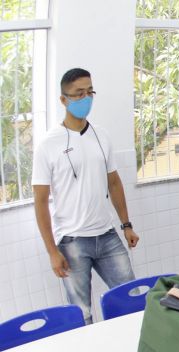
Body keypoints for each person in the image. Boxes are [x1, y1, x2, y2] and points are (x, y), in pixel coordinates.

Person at [33, 68, 139, 324]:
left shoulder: (101, 135)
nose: (86, 98)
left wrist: (126, 225)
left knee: (131, 299)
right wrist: (51, 251)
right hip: (72, 241)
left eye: (89, 92)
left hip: (107, 235)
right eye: (78, 94)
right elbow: (40, 202)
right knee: (82, 313)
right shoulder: (48, 144)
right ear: (63, 100)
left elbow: (113, 182)